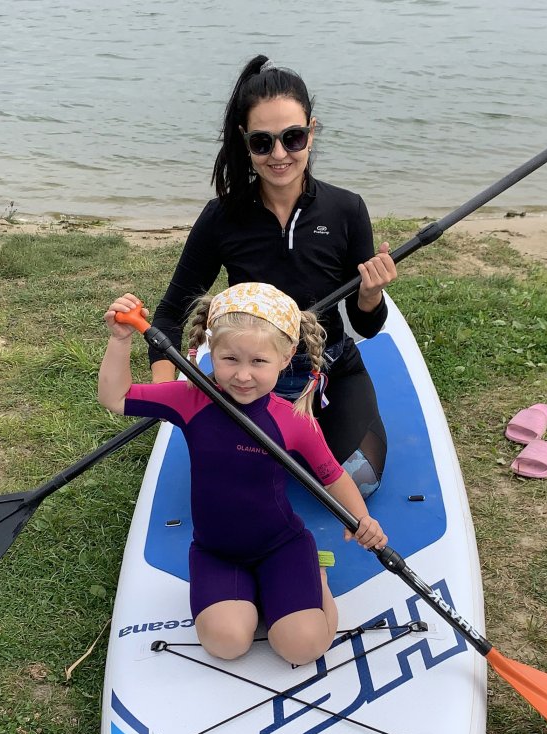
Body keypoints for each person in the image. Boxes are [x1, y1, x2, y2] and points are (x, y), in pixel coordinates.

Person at [100, 282, 387, 667]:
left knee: (302, 647)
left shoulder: (294, 420)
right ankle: (259, 597)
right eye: (230, 359)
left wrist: (361, 519)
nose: (243, 375)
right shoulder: (190, 399)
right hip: (217, 552)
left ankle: (315, 579)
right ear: (211, 350)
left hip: (281, 546)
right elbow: (115, 397)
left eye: (258, 362)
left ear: (286, 358)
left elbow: (332, 476)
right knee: (227, 642)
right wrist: (120, 340)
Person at [148, 54, 397, 497]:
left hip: (328, 369)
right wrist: (165, 394)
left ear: (311, 132)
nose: (279, 155)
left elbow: (367, 325)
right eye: (262, 142)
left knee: (362, 481)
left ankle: (307, 430)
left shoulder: (346, 209)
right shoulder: (222, 217)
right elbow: (170, 314)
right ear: (245, 142)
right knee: (238, 482)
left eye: (292, 137)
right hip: (249, 378)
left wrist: (370, 296)